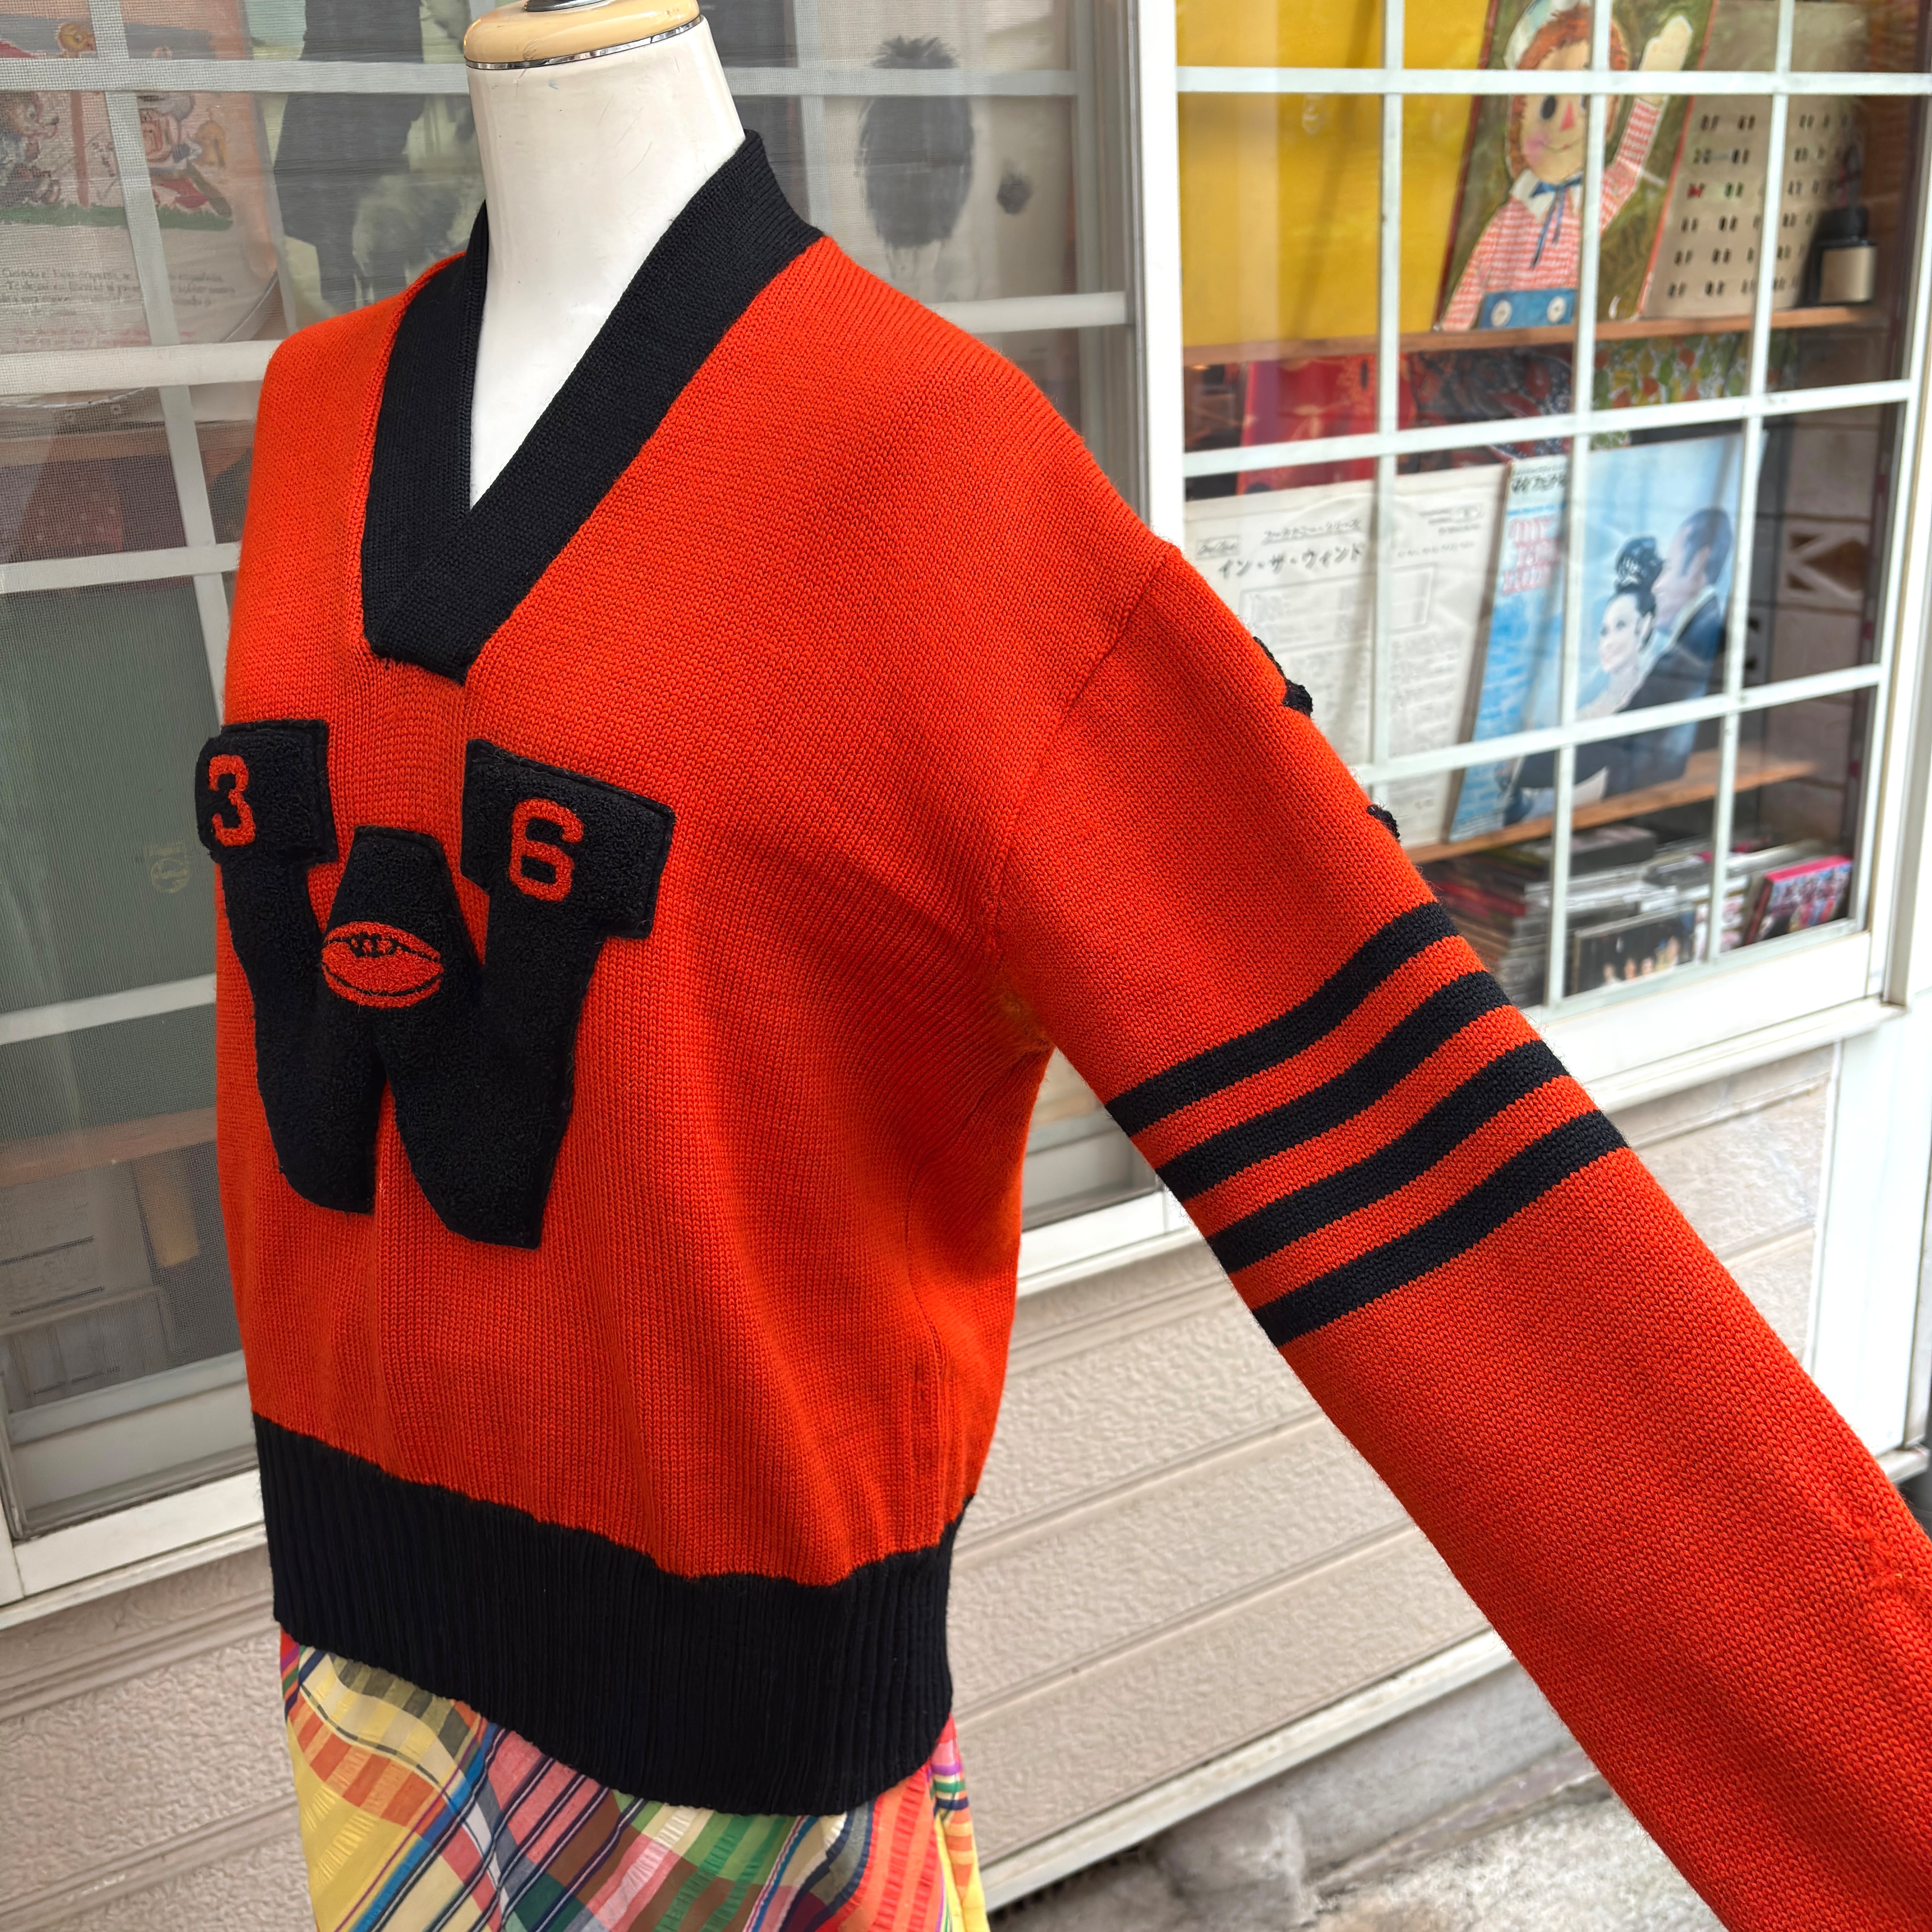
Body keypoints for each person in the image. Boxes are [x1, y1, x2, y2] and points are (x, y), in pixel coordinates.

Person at [1440, 0, 1692, 332]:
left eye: (1588, 103)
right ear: (1519, 119)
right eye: (1547, 106)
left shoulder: (1592, 202)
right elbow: (1466, 299)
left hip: (1561, 349)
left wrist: (1650, 96)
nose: (1568, 122)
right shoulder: (1505, 223)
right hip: (1495, 352)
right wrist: (1448, 346)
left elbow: (1629, 166)